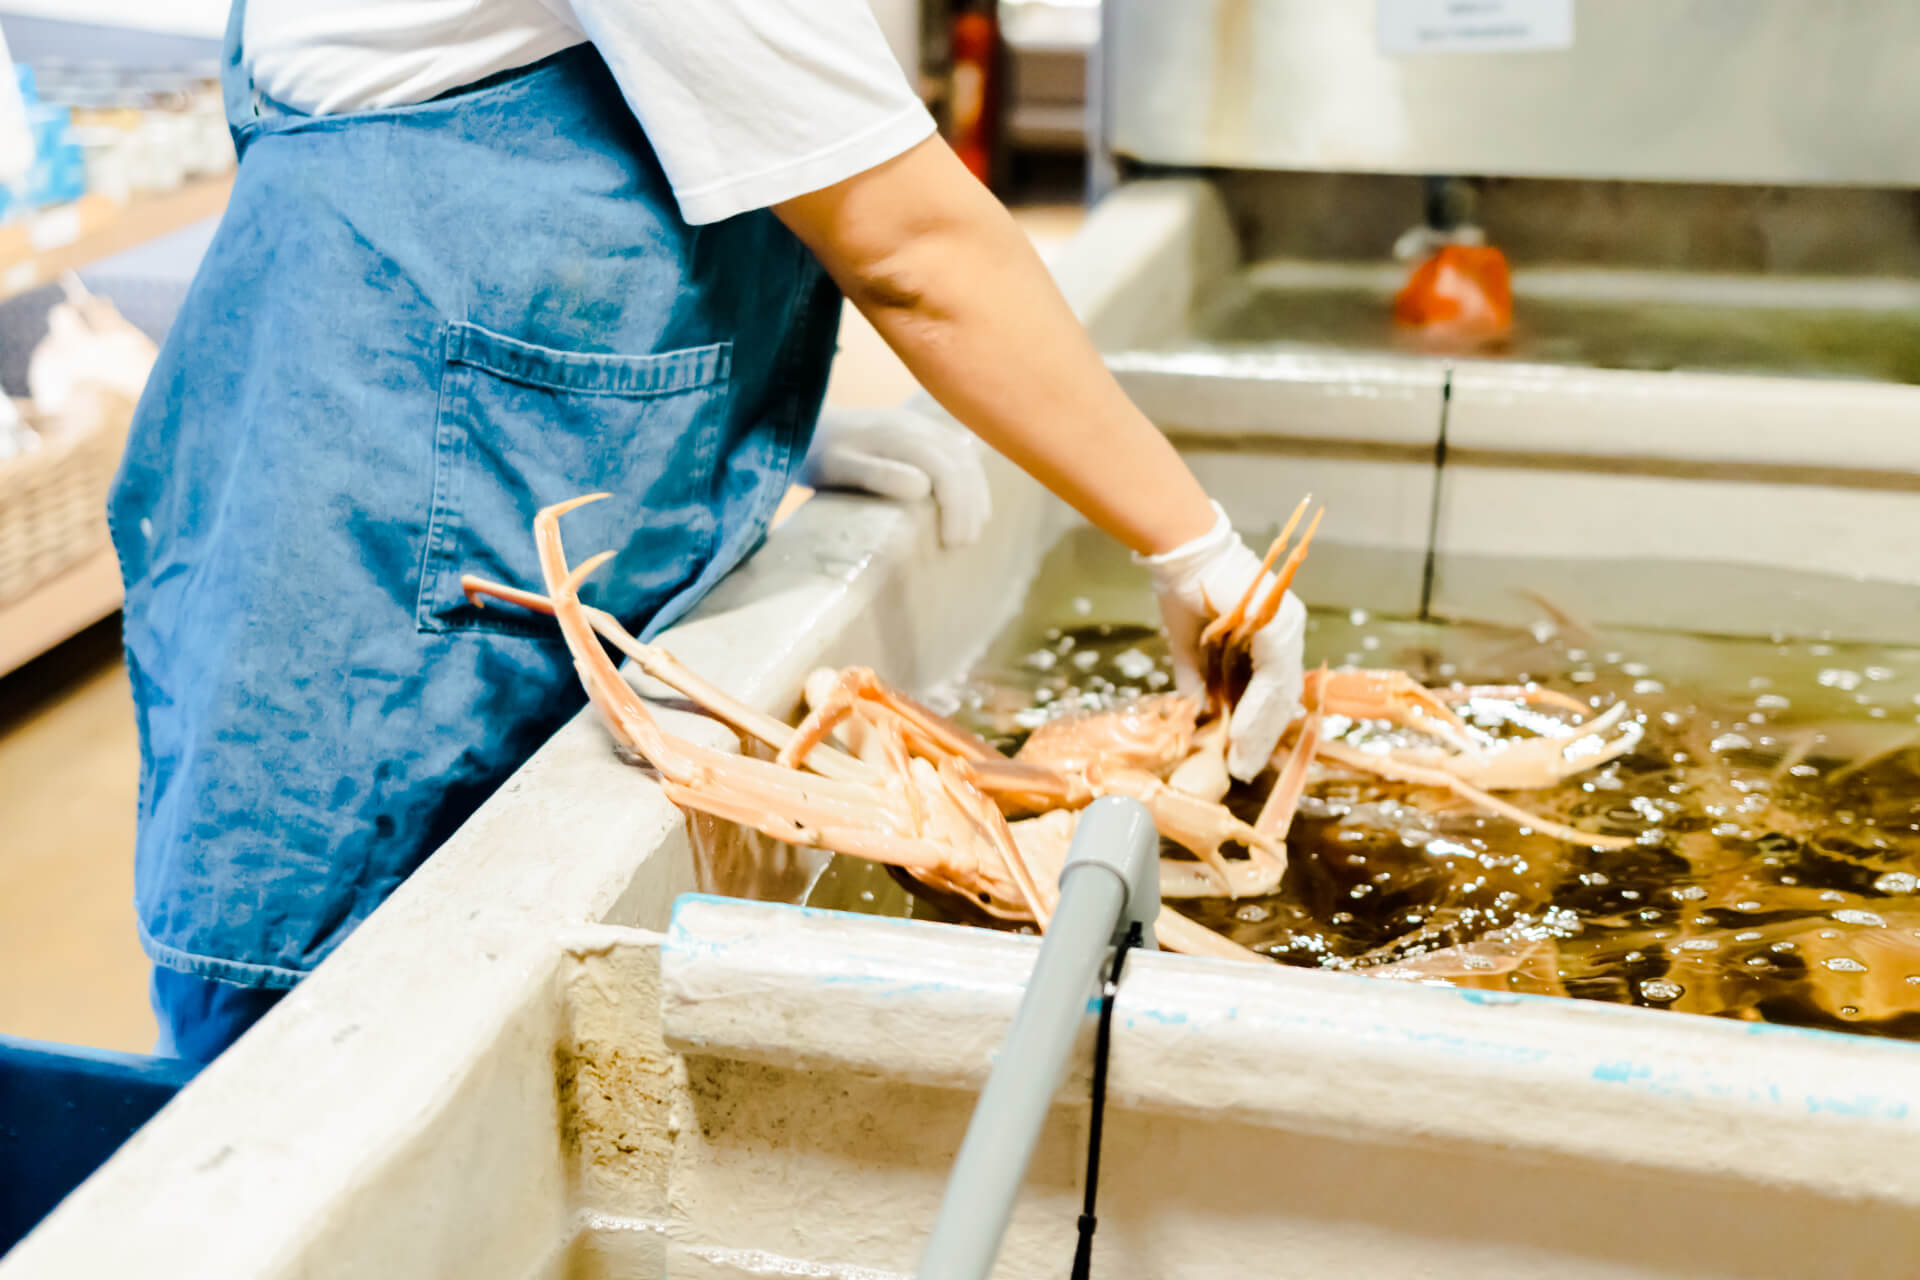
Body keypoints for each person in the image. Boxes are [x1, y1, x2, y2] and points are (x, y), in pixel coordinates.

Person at [111, 0, 1308, 1067]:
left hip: (467, 475)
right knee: (323, 1036)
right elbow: (911, 245)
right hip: (358, 533)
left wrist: (752, 425)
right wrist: (1191, 544)